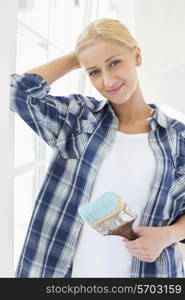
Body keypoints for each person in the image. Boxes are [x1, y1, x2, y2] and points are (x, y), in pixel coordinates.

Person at [10, 18, 185, 278]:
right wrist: (78, 57)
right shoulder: (79, 119)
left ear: (136, 55)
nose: (107, 80)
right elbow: (20, 93)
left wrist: (167, 235)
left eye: (114, 62)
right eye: (93, 71)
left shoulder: (176, 138)